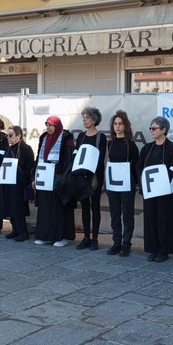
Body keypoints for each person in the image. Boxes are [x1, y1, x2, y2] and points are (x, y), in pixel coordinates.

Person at [136, 116, 173, 262]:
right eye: (150, 128)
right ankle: (152, 249)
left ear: (163, 130)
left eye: (154, 128)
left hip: (165, 191)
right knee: (150, 219)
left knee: (165, 220)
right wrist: (142, 181)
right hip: (150, 191)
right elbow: (139, 166)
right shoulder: (147, 148)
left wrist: (161, 182)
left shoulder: (172, 148)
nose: (151, 131)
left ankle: (164, 250)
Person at [32, 116, 75, 247]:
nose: (48, 127)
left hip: (58, 178)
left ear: (57, 125)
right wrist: (34, 177)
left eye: (51, 125)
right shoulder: (44, 137)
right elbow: (38, 157)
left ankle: (61, 237)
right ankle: (44, 236)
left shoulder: (66, 137)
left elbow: (69, 159)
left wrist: (64, 177)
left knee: (58, 208)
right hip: (44, 176)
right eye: (47, 125)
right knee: (45, 208)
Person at [105, 110, 139, 257]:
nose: (118, 126)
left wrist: (137, 183)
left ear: (125, 126)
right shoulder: (109, 144)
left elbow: (137, 165)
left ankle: (126, 244)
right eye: (115, 123)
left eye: (120, 124)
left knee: (127, 214)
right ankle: (116, 242)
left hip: (127, 183)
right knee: (114, 213)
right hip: (113, 183)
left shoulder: (131, 145)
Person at [74, 107, 107, 251]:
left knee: (95, 207)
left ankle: (95, 239)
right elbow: (77, 154)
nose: (84, 120)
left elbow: (100, 158)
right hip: (81, 177)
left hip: (95, 177)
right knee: (85, 207)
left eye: (86, 118)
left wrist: (91, 171)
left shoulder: (101, 137)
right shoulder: (81, 136)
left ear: (94, 120)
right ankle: (86, 237)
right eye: (83, 118)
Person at [2, 126, 34, 242]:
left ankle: (23, 232)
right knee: (10, 207)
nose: (8, 138)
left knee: (19, 208)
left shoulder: (25, 148)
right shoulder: (9, 149)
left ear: (18, 136)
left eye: (10, 135)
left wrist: (22, 179)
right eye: (7, 135)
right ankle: (15, 230)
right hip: (9, 182)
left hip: (19, 184)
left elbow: (30, 166)